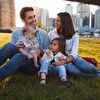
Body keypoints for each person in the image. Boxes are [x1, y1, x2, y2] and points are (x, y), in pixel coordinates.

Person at [0, 7, 50, 81]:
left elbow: (48, 52)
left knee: (19, 56)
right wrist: (16, 46)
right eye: (30, 17)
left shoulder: (43, 33)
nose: (33, 19)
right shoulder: (16, 33)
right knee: (9, 46)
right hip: (16, 62)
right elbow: (11, 51)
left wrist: (40, 51)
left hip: (32, 64)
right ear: (23, 20)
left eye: (34, 16)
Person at [48, 12, 100, 78]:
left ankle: (97, 72)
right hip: (59, 59)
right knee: (72, 71)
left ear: (64, 23)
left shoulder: (74, 36)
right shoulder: (51, 34)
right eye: (55, 20)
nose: (55, 22)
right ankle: (95, 76)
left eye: (58, 21)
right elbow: (49, 49)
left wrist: (64, 61)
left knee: (86, 67)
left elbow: (74, 53)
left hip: (72, 58)